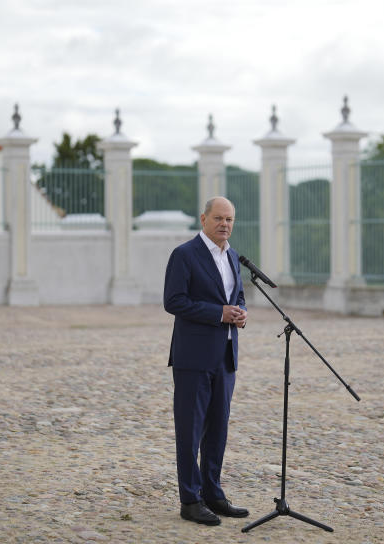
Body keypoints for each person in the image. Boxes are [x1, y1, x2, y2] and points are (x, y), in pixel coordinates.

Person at [163, 196, 250, 526]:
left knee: (218, 430)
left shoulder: (231, 256)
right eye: (218, 218)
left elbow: (236, 296)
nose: (225, 224)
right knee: (191, 430)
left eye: (229, 219)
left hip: (225, 357)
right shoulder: (184, 255)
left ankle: (213, 493)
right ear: (203, 219)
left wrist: (240, 313)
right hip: (193, 358)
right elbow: (173, 301)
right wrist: (219, 313)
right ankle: (190, 499)